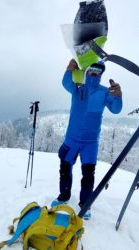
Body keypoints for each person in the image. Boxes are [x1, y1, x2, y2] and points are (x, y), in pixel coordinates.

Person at [51, 59, 122, 220]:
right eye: (91, 70)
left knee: (88, 174)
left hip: (90, 142)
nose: (94, 73)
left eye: (98, 71)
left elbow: (116, 109)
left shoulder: (104, 92)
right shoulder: (78, 88)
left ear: (101, 74)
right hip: (72, 139)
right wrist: (69, 69)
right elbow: (65, 83)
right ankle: (64, 196)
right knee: (65, 169)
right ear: (86, 71)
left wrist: (118, 96)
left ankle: (85, 204)